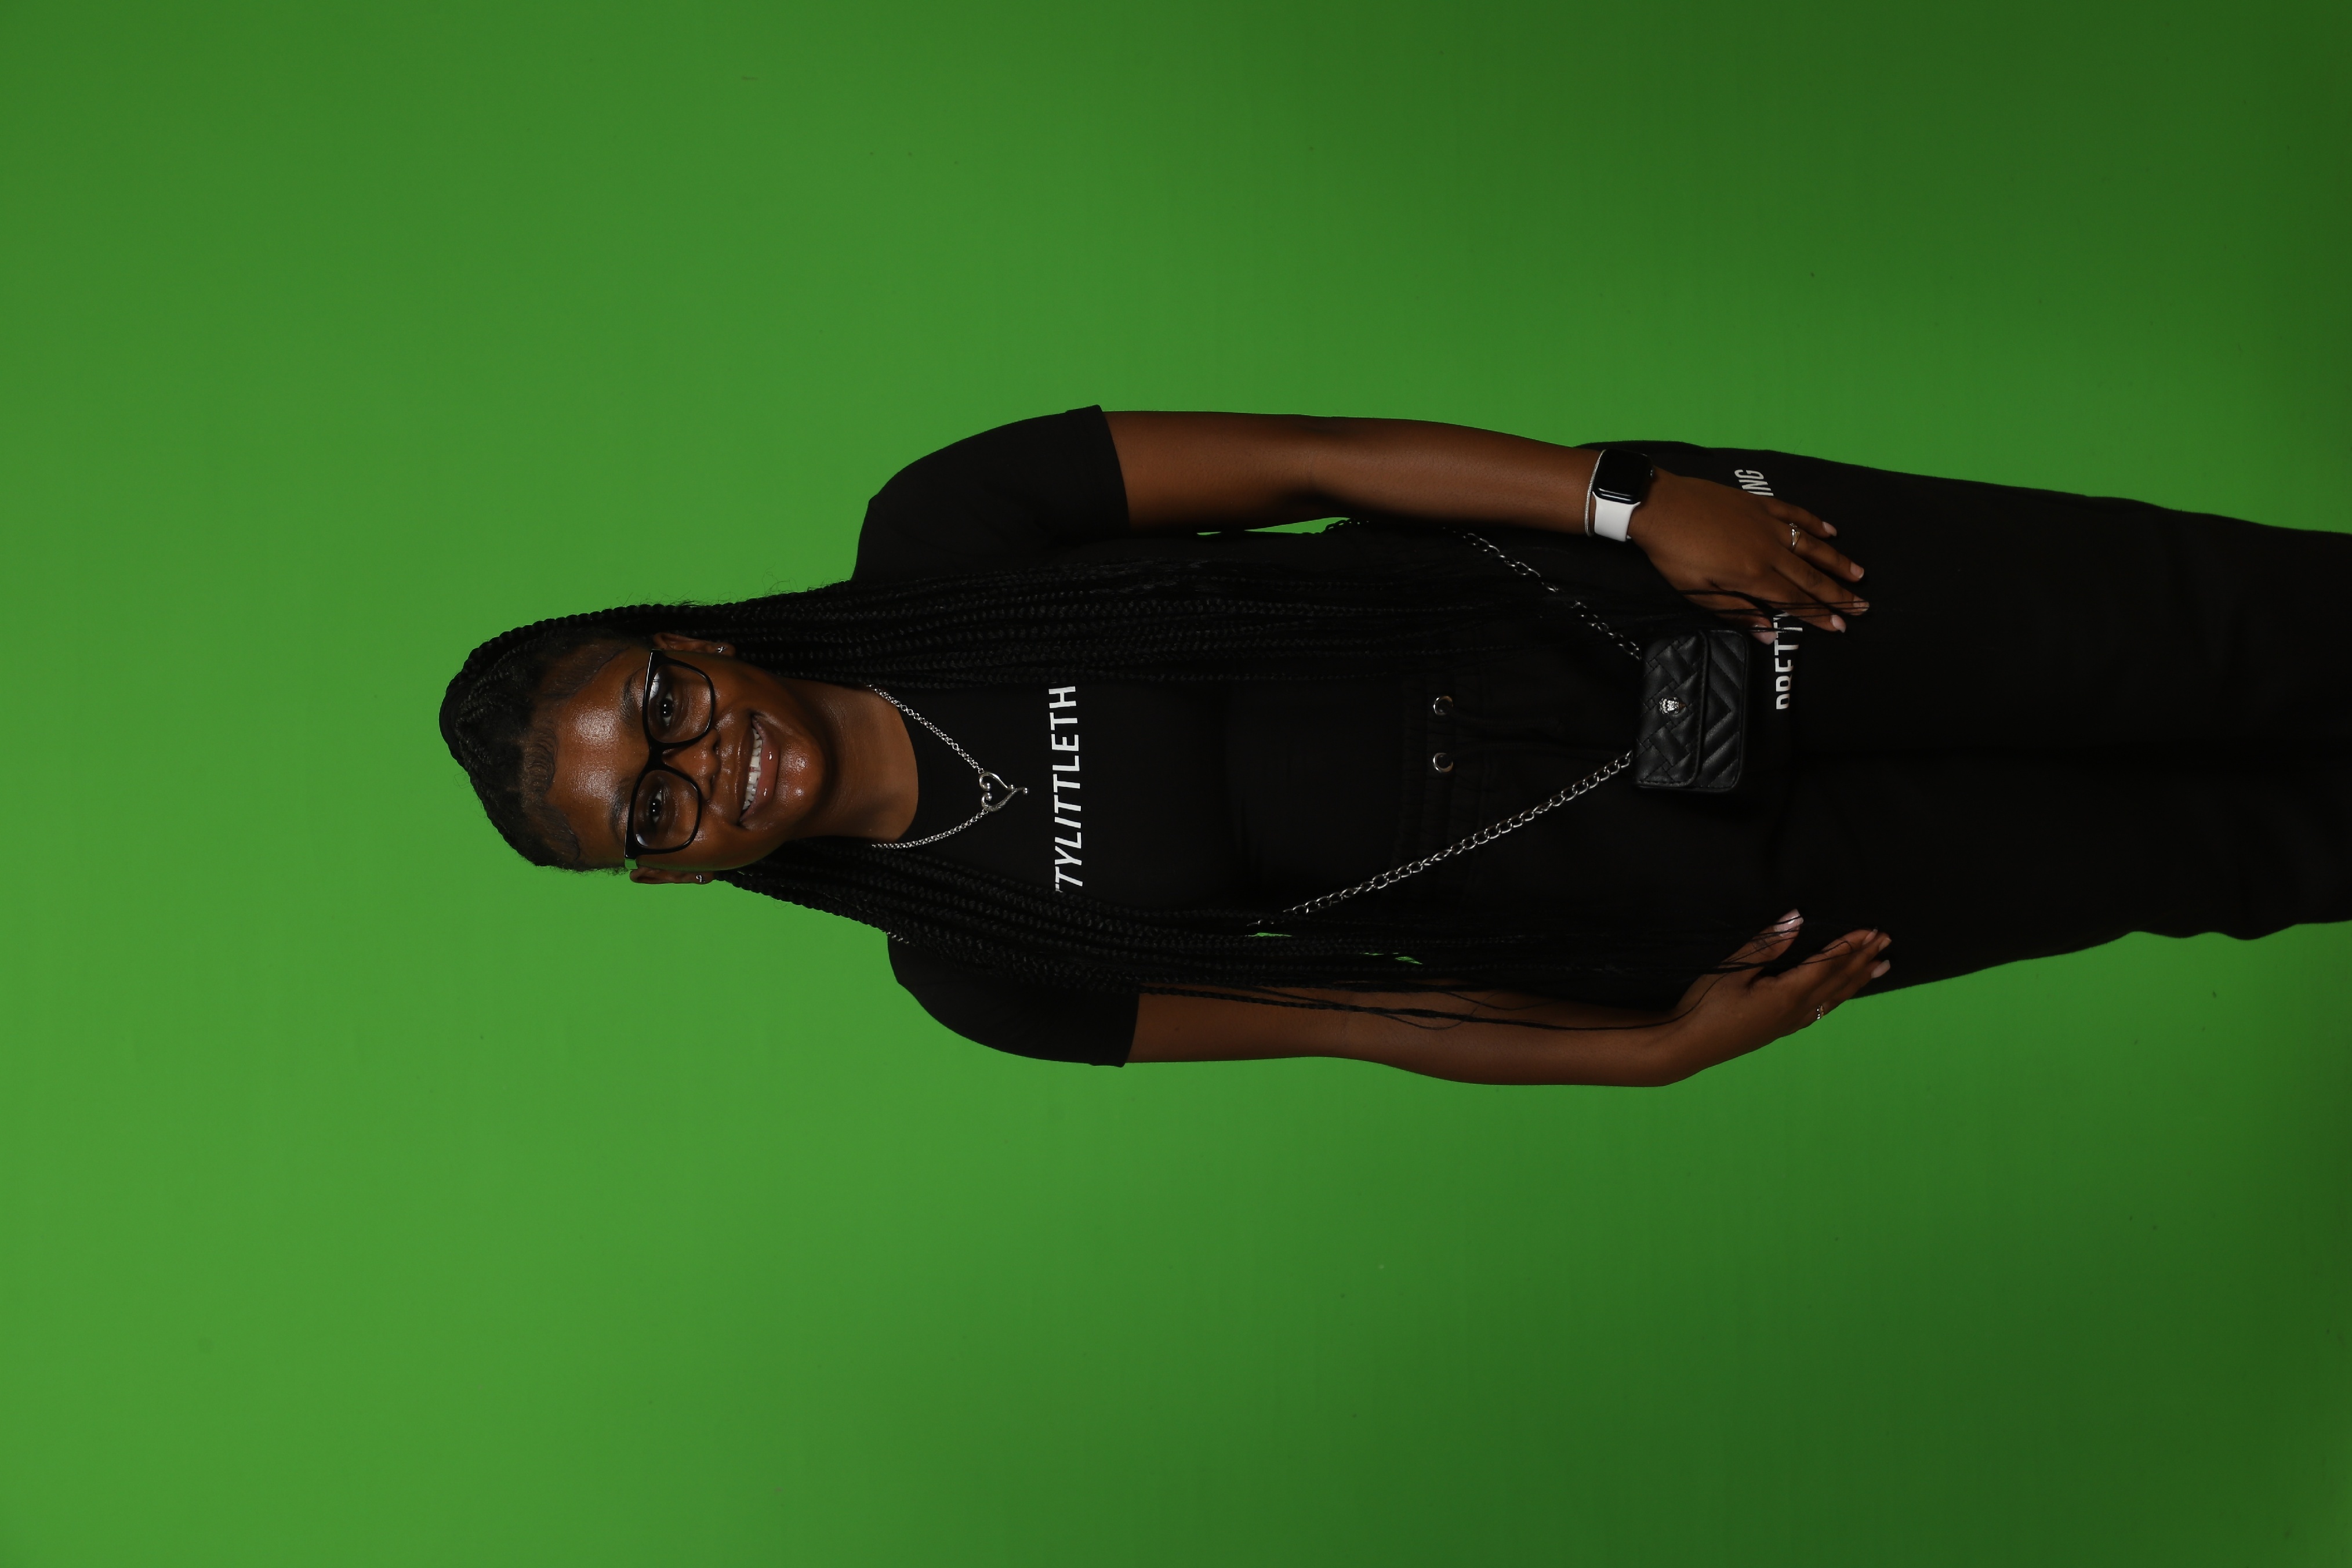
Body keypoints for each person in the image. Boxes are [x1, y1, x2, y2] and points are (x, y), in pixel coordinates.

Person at [438, 409, 2352, 1086]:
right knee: (2204, 861)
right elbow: (1359, 1016)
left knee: (2203, 628)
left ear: (690, 641)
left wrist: (1628, 502)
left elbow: (1317, 458)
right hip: (1650, 890)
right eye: (649, 817)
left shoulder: (945, 532)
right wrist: (1650, 1058)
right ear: (669, 872)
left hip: (1639, 604)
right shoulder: (979, 971)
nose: (702, 770)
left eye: (659, 709)